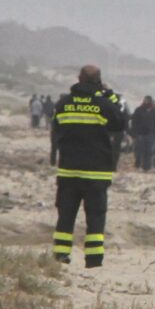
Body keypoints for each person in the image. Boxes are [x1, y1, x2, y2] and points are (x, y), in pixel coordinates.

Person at [49, 65, 126, 268]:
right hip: (96, 173)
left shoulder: (63, 103)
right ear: (98, 82)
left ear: (79, 79)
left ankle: (61, 257)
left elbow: (56, 128)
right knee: (95, 217)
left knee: (65, 217)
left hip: (68, 171)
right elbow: (119, 123)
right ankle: (93, 261)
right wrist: (111, 98)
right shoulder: (103, 104)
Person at [129, 95, 155, 172]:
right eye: (145, 100)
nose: (146, 101)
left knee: (150, 151)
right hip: (140, 134)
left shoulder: (154, 111)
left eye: (148, 100)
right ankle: (140, 165)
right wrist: (133, 133)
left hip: (151, 134)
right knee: (140, 151)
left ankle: (147, 167)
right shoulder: (138, 110)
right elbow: (134, 122)